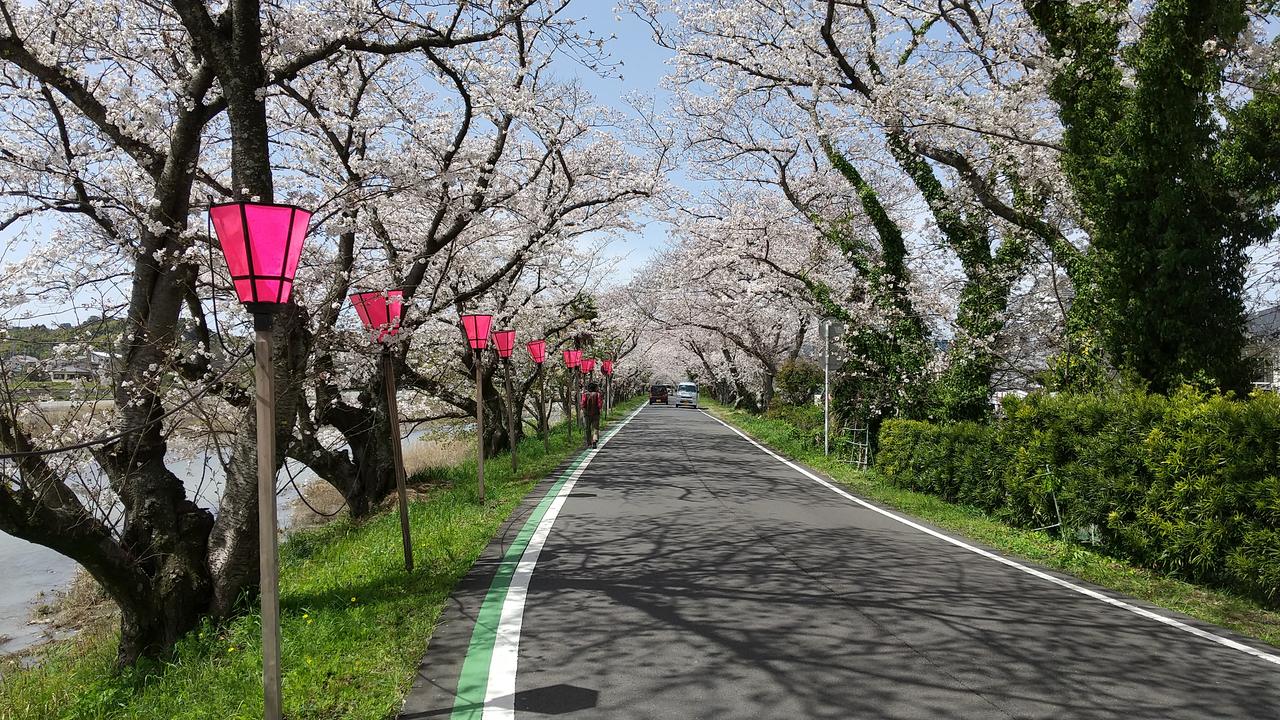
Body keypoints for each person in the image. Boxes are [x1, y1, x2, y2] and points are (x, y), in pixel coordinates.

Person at [582, 381, 603, 449]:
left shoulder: (585, 394)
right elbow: (599, 404)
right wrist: (600, 410)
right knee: (595, 428)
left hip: (587, 414)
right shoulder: (598, 394)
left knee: (587, 428)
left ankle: (589, 442)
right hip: (596, 414)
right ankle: (594, 440)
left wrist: (583, 410)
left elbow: (583, 404)